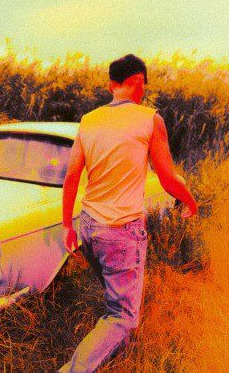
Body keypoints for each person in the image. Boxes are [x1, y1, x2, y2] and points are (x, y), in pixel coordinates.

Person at [59, 54, 199, 372]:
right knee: (123, 316)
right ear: (137, 81)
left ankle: (114, 350)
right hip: (120, 231)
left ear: (112, 85)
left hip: (88, 226)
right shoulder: (150, 119)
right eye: (144, 85)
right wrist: (190, 202)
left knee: (116, 299)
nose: (144, 91)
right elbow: (168, 178)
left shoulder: (89, 120)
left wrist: (68, 225)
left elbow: (71, 177)